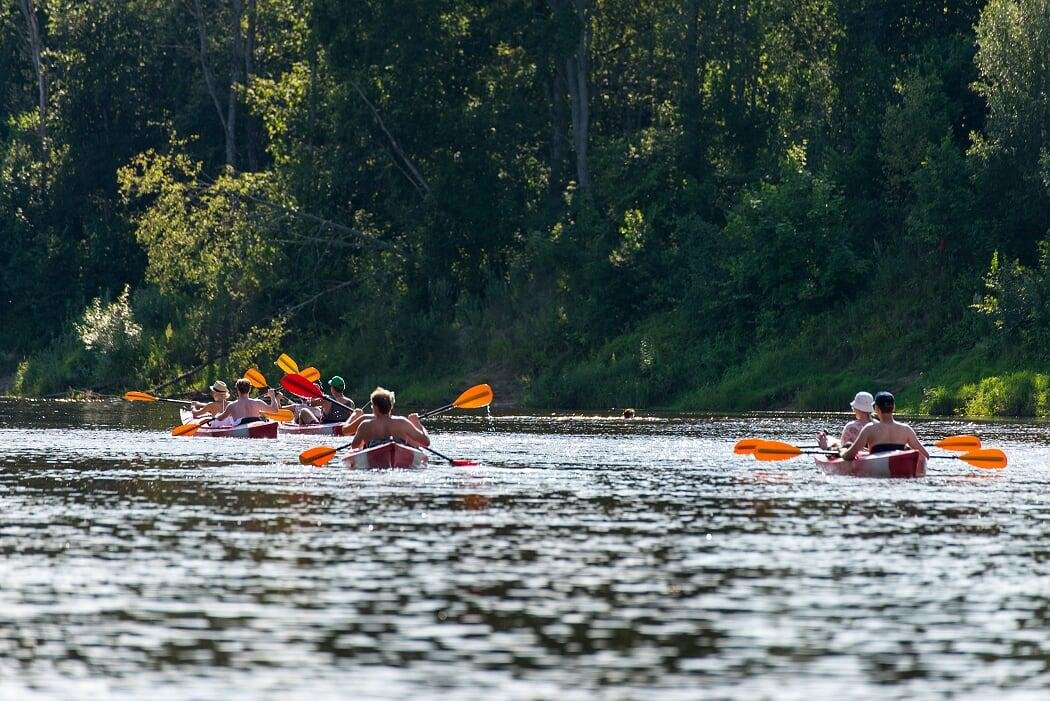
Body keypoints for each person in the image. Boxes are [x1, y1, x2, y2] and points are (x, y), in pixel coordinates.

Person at [840, 391, 930, 460]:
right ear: (894, 407)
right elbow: (926, 456)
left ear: (876, 409)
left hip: (876, 470)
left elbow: (850, 455)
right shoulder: (906, 429)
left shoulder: (869, 429)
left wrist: (842, 452)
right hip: (900, 470)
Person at [349, 386, 430, 448]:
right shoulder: (402, 422)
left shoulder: (365, 425)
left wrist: (365, 441)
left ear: (374, 407)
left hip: (374, 457)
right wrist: (417, 423)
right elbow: (426, 442)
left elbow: (354, 447)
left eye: (372, 405)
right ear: (391, 406)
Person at [212, 377, 279, 425]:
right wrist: (272, 396)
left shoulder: (232, 406)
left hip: (240, 428)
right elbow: (275, 410)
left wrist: (214, 417)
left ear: (237, 390)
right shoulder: (258, 403)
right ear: (249, 390)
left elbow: (220, 418)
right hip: (256, 424)